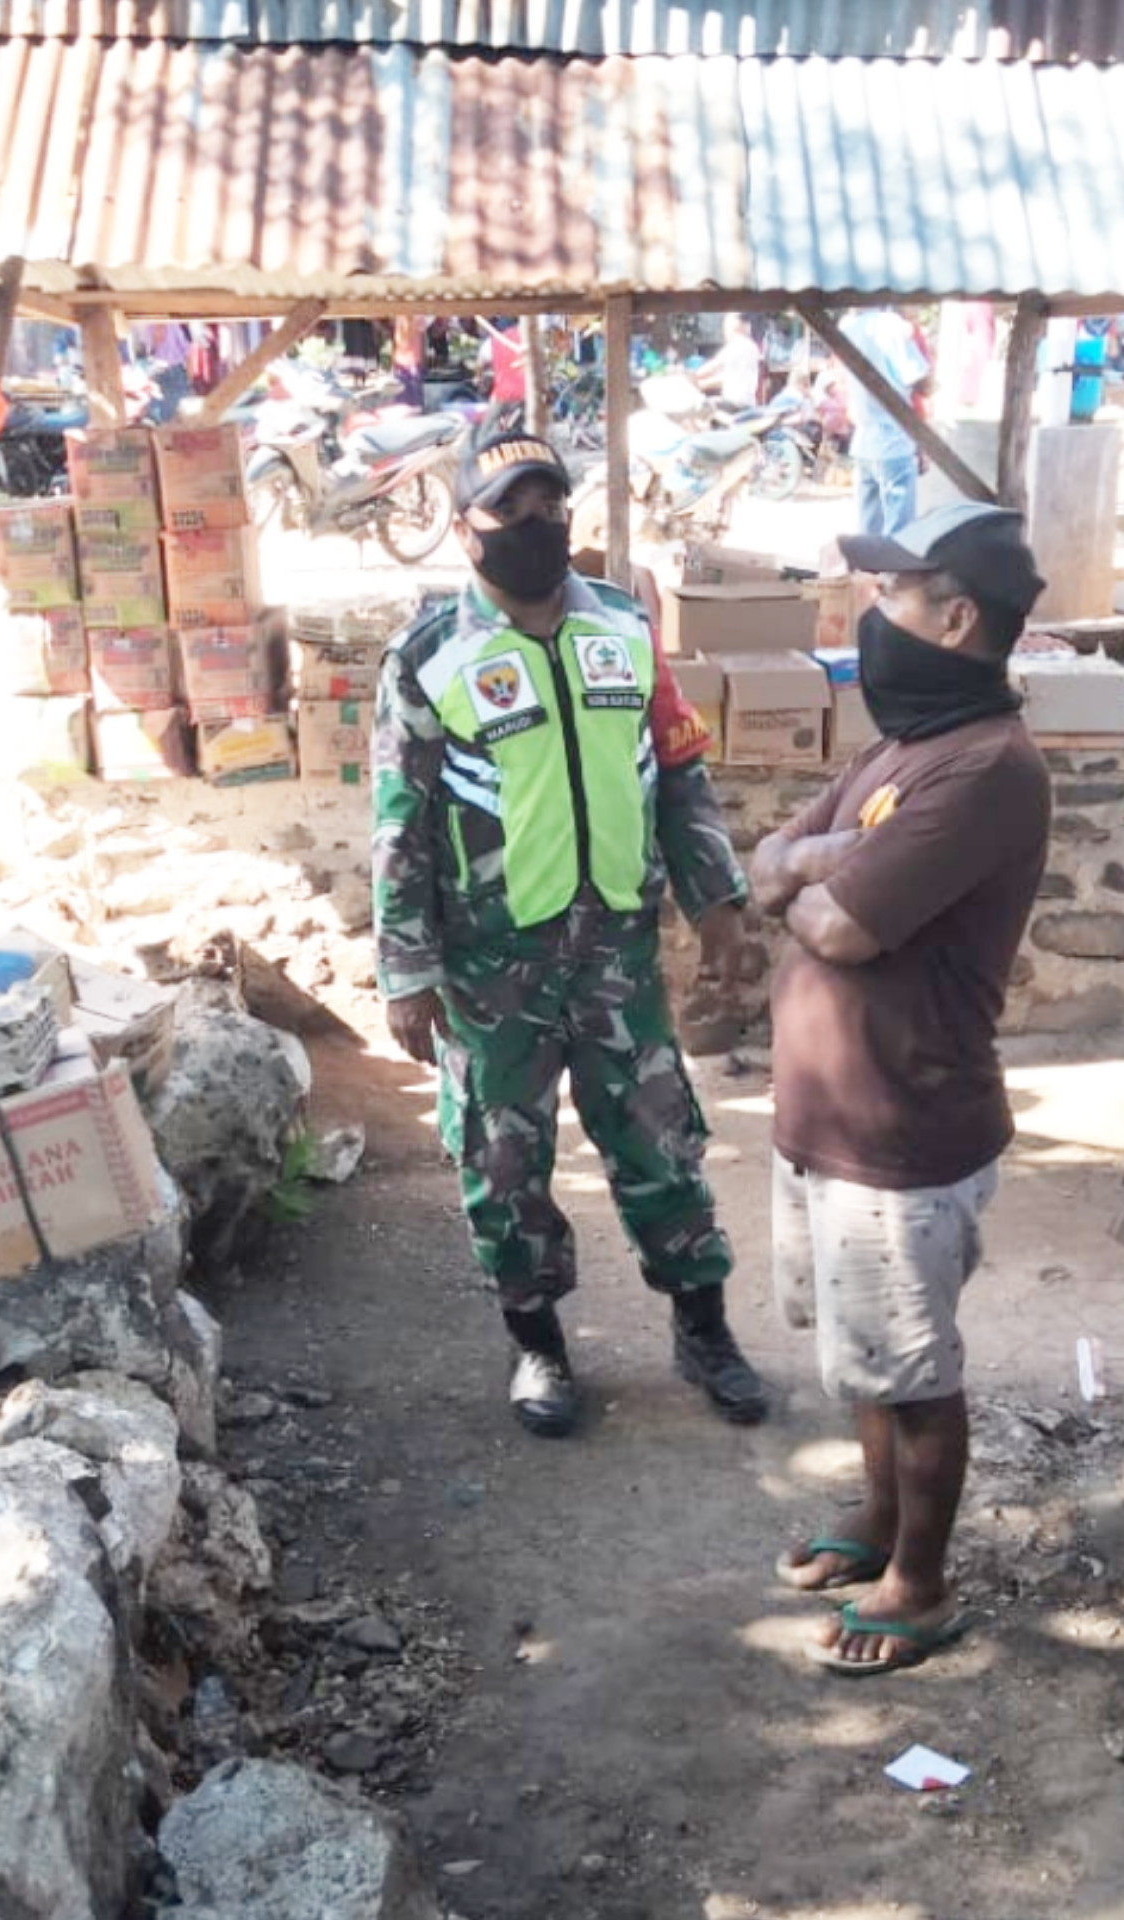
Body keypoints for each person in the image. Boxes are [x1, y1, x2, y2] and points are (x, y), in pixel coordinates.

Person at [372, 428, 767, 1437]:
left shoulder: (626, 629)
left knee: (661, 1143)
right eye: (513, 510)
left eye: (552, 506)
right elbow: (399, 819)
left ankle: (703, 1328)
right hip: (489, 964)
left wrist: (715, 904)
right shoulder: (428, 655)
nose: (538, 527)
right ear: (466, 531)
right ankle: (539, 1346)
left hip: (616, 953)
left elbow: (678, 772)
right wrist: (406, 968)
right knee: (503, 1164)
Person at [749, 503, 1052, 1677]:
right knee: (861, 1356)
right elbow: (770, 861)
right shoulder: (901, 751)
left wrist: (810, 875)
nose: (868, 615)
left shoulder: (985, 770)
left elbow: (832, 919)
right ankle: (878, 1525)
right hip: (828, 1118)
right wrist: (812, 864)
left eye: (893, 593)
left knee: (913, 1374)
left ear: (958, 617)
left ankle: (919, 1585)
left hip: (904, 1125)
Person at [840, 308, 932, 537]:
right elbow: (922, 382)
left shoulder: (846, 326)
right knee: (899, 535)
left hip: (863, 439)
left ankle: (867, 571)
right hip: (894, 440)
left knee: (868, 532)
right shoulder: (891, 325)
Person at [698, 314, 763, 413]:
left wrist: (692, 376)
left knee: (698, 408)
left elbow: (710, 368)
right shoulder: (752, 347)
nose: (724, 331)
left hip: (733, 403)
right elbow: (728, 377)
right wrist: (701, 385)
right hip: (747, 404)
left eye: (725, 326)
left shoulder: (737, 344)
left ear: (735, 325)